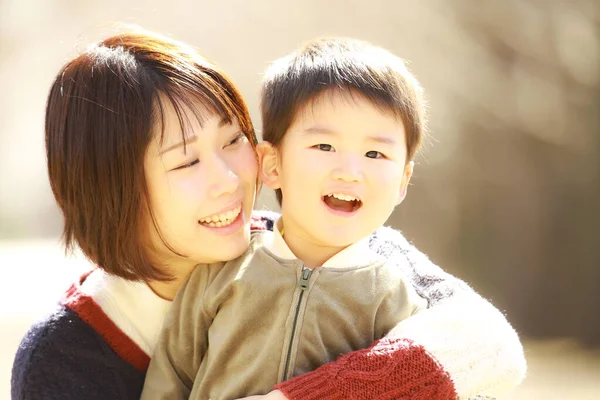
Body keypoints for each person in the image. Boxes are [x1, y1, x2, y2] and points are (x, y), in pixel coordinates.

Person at [11, 29, 525, 400]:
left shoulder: (343, 250)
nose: (234, 178)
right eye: (187, 160)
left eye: (235, 140)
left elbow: (490, 346)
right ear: (113, 188)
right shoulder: (65, 357)